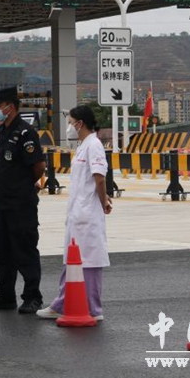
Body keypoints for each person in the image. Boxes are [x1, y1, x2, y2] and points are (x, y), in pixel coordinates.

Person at [37, 105, 112, 321]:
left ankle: (93, 309)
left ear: (80, 123)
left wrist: (104, 201)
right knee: (72, 259)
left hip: (88, 213)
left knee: (90, 261)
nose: (69, 127)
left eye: (70, 122)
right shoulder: (83, 146)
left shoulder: (94, 145)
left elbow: (99, 178)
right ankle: (62, 303)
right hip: (78, 212)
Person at [0, 86, 46, 314]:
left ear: (10, 106)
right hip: (1, 204)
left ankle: (32, 296)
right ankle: (5, 296)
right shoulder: (0, 132)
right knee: (2, 253)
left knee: (25, 251)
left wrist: (25, 185)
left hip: (21, 204)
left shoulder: (25, 132)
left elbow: (38, 166)